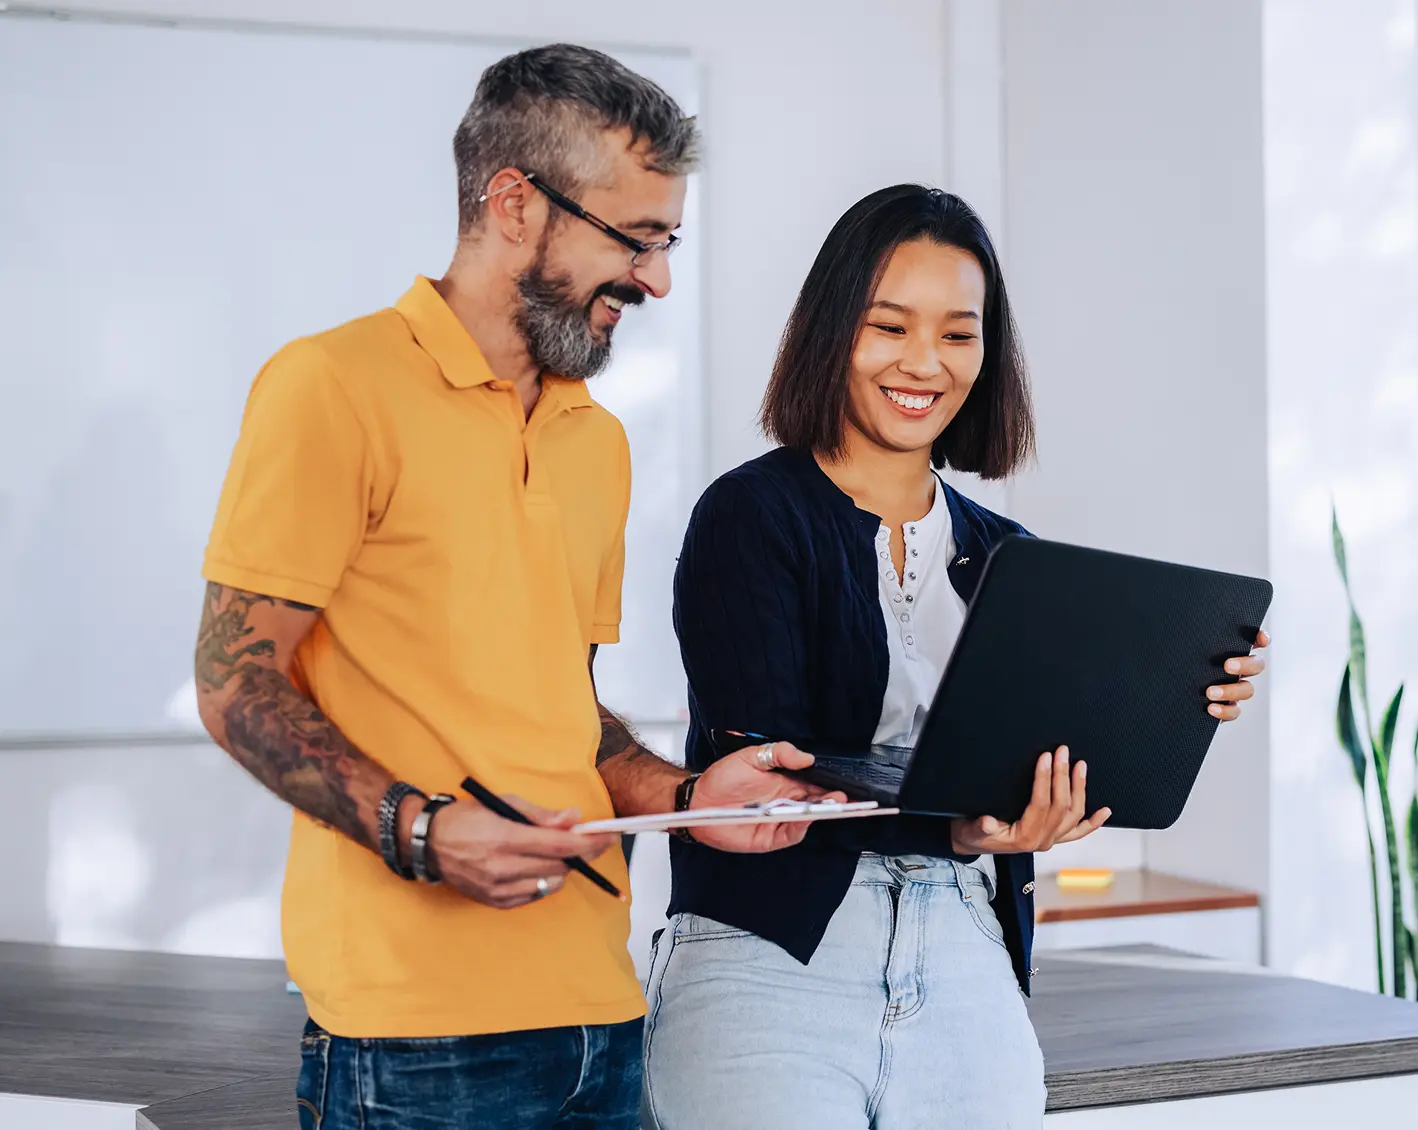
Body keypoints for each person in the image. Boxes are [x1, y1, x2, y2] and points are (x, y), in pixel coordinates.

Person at [194, 44, 835, 1130]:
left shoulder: (597, 438)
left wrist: (689, 799)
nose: (656, 277)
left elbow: (563, 710)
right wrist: (421, 832)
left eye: (665, 238)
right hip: (414, 1037)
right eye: (632, 238)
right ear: (512, 203)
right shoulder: (331, 386)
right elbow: (233, 684)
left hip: (600, 1010)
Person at [643, 185, 1270, 1129]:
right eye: (888, 326)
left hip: (968, 942)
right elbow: (771, 775)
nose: (925, 364)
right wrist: (966, 825)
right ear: (830, 332)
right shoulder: (750, 515)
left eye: (959, 335)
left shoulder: (1008, 554)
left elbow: (1034, 748)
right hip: (773, 953)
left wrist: (1171, 698)